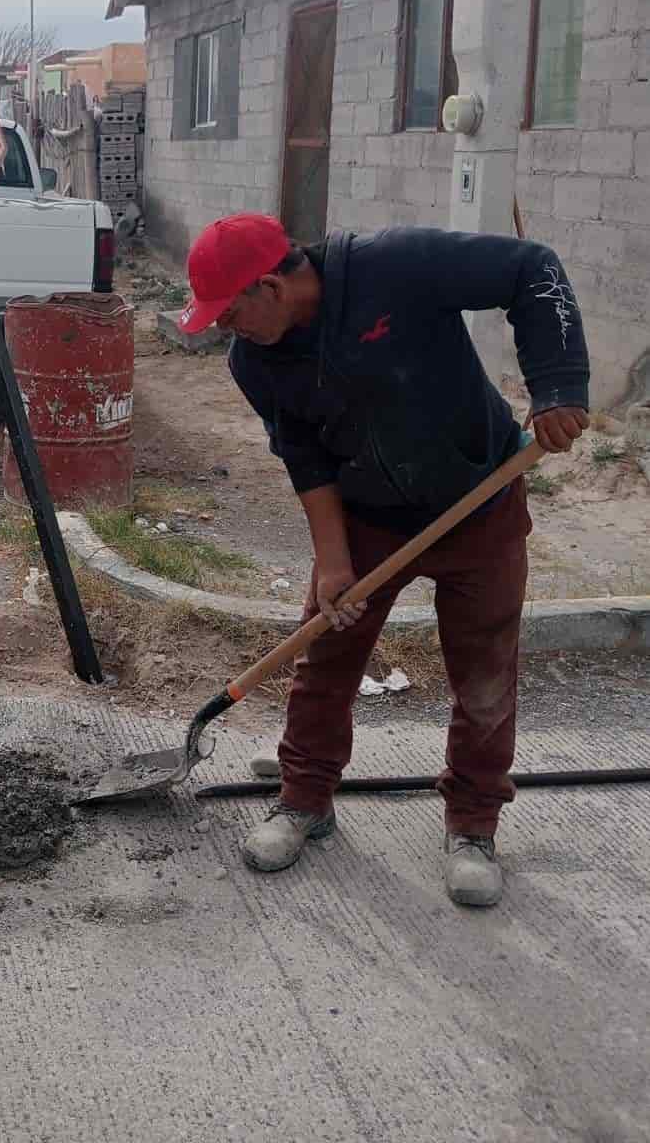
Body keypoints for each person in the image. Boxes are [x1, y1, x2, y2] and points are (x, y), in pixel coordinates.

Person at [177, 214, 589, 907]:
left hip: (477, 500)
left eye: (229, 312)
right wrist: (333, 562)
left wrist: (558, 387)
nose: (225, 329)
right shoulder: (255, 360)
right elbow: (303, 457)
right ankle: (304, 799)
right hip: (368, 518)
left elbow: (532, 269)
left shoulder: (394, 265)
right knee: (327, 654)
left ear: (271, 285)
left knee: (486, 670)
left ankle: (473, 823)